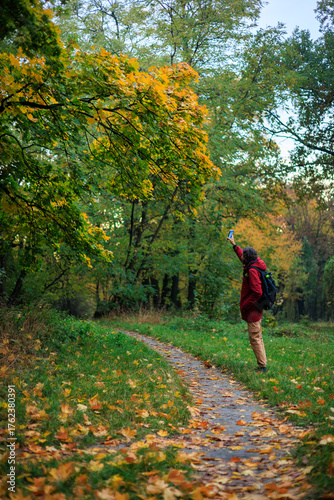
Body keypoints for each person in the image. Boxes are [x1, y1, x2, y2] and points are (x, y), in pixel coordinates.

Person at [227, 233, 268, 372]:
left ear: (247, 258)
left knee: (255, 338)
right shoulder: (255, 263)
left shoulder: (251, 271)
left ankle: (262, 367)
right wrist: (234, 245)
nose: (242, 257)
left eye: (244, 255)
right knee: (257, 336)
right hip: (256, 308)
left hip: (253, 310)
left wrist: (246, 305)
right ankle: (263, 364)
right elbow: (242, 258)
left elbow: (257, 292)